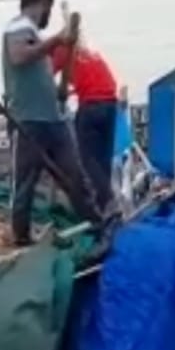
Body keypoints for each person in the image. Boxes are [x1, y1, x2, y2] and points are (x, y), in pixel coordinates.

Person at [1, 0, 102, 246]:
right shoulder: (19, 27)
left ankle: (96, 223)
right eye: (48, 8)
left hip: (54, 119)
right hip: (29, 120)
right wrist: (58, 39)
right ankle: (21, 236)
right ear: (42, 4)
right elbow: (19, 56)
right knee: (26, 182)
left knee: (75, 175)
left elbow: (39, 73)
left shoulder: (36, 35)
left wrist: (59, 90)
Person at [50, 21, 120, 212]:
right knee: (103, 159)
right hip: (111, 105)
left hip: (91, 106)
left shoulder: (61, 50)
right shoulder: (89, 52)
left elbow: (45, 77)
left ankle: (109, 203)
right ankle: (106, 206)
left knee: (88, 159)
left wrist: (57, 91)